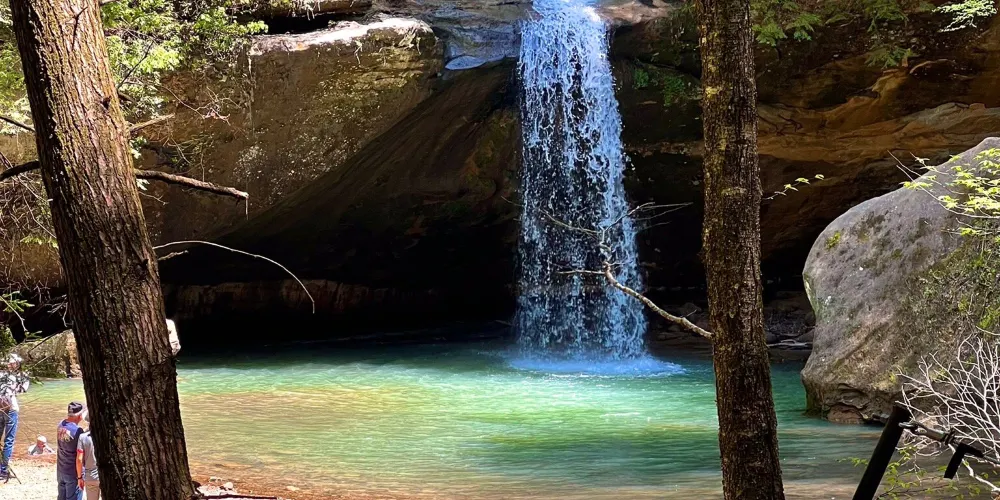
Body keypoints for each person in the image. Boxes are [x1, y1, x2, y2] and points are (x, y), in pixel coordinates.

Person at [0, 353, 29, 479]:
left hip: (0, 408)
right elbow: (23, 390)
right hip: (11, 409)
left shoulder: (1, 374)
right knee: (9, 441)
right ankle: (3, 469)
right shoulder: (19, 375)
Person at [57, 402, 86, 500]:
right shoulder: (78, 431)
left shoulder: (60, 424)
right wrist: (80, 477)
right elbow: (79, 458)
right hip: (73, 473)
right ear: (80, 416)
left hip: (61, 470)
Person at [76, 413, 99, 500]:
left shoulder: (82, 437)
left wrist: (79, 477)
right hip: (107, 474)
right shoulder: (106, 436)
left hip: (91, 477)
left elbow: (79, 459)